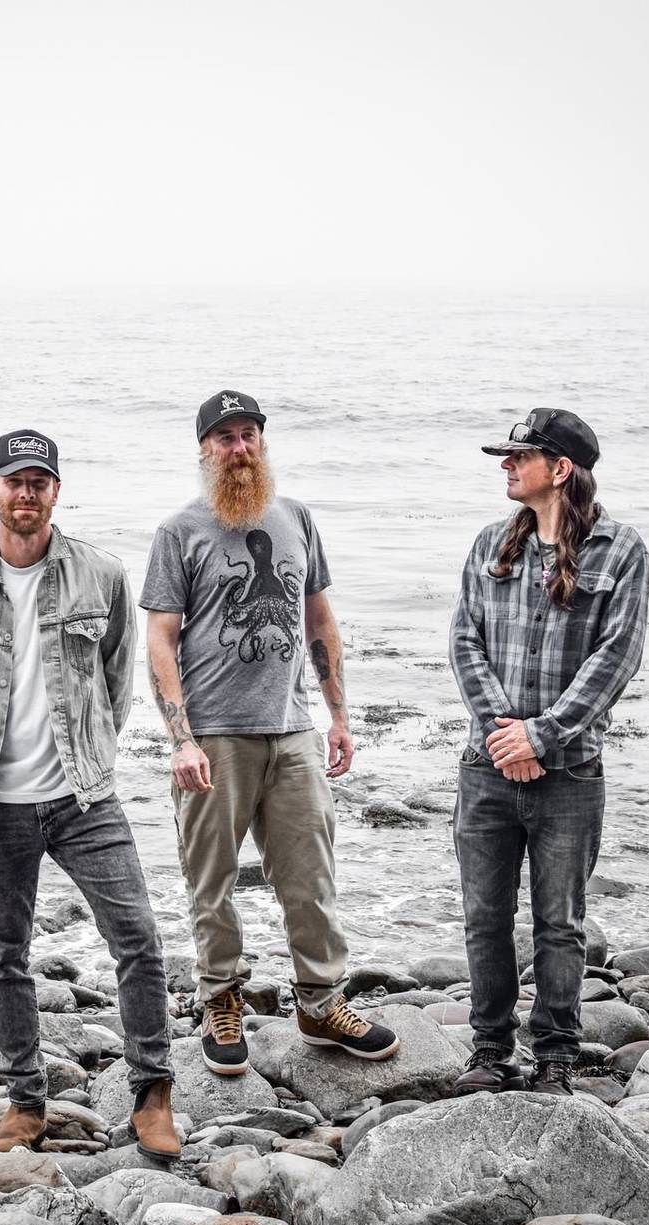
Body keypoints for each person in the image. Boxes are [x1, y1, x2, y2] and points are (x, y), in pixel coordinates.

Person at [0, 430, 180, 1158]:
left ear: (56, 491)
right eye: (14, 480)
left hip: (84, 798)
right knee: (6, 954)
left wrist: (88, 754)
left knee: (137, 939)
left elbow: (118, 678)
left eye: (40, 480)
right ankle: (25, 1102)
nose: (26, 493)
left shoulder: (100, 575)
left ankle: (152, 1093)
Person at [142, 390, 398, 1076]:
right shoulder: (180, 532)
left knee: (309, 875)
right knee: (212, 880)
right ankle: (221, 998)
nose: (240, 447)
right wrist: (181, 739)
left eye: (250, 433)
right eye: (225, 437)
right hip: (215, 738)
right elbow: (160, 642)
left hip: (292, 733)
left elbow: (318, 621)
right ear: (205, 449)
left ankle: (320, 1001)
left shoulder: (296, 519)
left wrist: (338, 716)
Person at [448, 408, 649, 1097]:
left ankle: (556, 1054)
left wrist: (543, 735)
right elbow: (464, 644)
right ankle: (490, 1050)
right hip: (487, 768)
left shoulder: (621, 552)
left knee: (559, 923)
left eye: (518, 456)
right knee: (485, 916)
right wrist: (508, 734)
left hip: (569, 772)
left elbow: (616, 657)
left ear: (560, 470)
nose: (506, 465)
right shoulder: (487, 546)